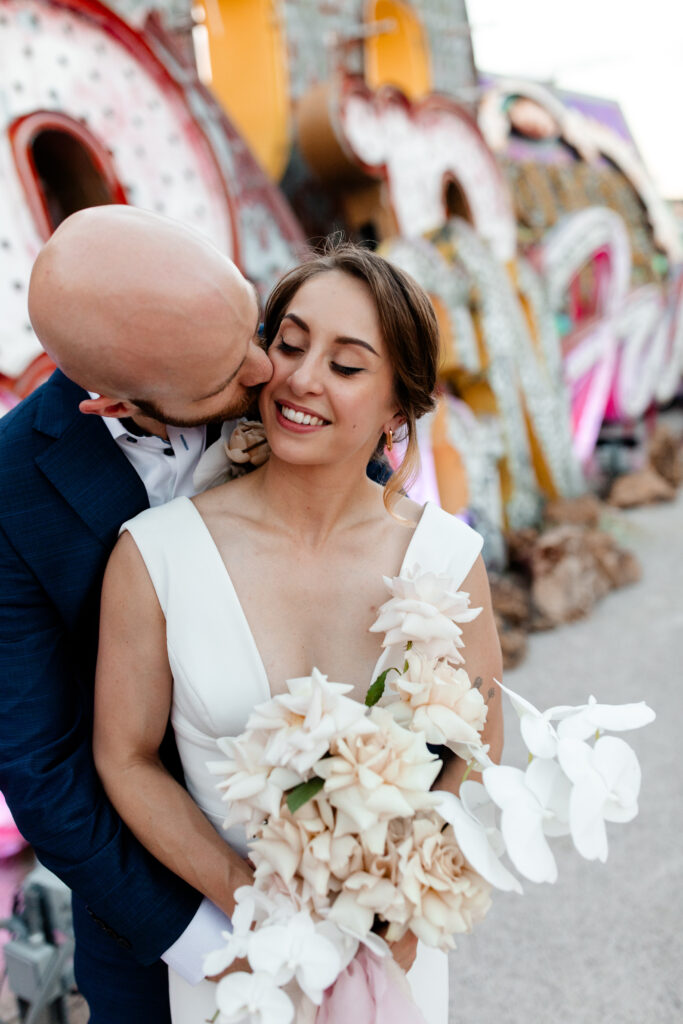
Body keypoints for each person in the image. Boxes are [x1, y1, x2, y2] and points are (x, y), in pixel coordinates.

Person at [93, 242, 504, 1023]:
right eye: (288, 344)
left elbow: (477, 742)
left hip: (393, 948)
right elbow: (125, 754)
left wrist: (412, 878)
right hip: (237, 948)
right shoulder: (156, 553)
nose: (302, 378)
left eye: (346, 366)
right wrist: (249, 893)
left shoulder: (447, 559)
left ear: (397, 406)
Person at [0, 205, 274, 1024]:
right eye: (223, 377)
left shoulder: (287, 377)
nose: (266, 370)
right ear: (110, 404)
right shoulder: (12, 491)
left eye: (252, 326)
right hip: (151, 924)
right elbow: (42, 765)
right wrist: (203, 941)